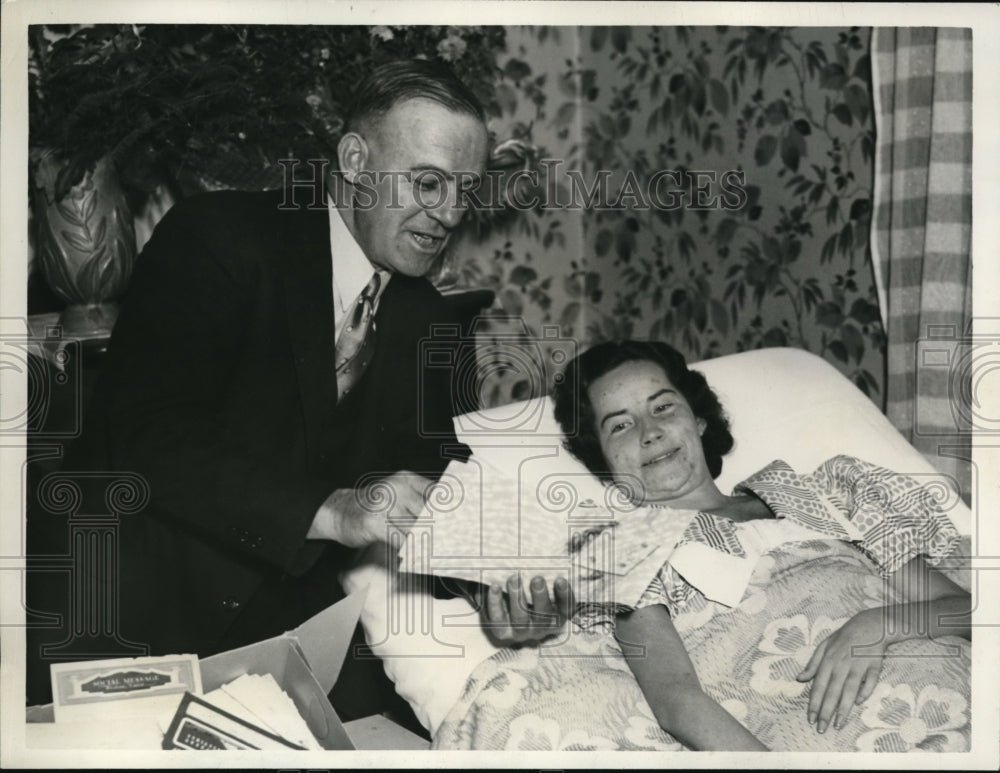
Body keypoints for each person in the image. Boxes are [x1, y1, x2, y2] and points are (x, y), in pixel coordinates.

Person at [25, 59, 571, 711]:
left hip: (294, 648)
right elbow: (151, 441)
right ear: (354, 158)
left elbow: (435, 484)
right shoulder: (216, 237)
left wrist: (496, 592)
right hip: (123, 625)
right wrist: (337, 508)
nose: (450, 212)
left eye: (465, 189)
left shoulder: (432, 317)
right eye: (428, 182)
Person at [546, 340, 970, 751]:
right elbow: (678, 702)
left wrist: (878, 625)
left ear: (698, 420)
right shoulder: (625, 551)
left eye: (663, 407)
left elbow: (968, 610)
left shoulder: (829, 493)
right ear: (603, 460)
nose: (650, 432)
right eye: (620, 425)